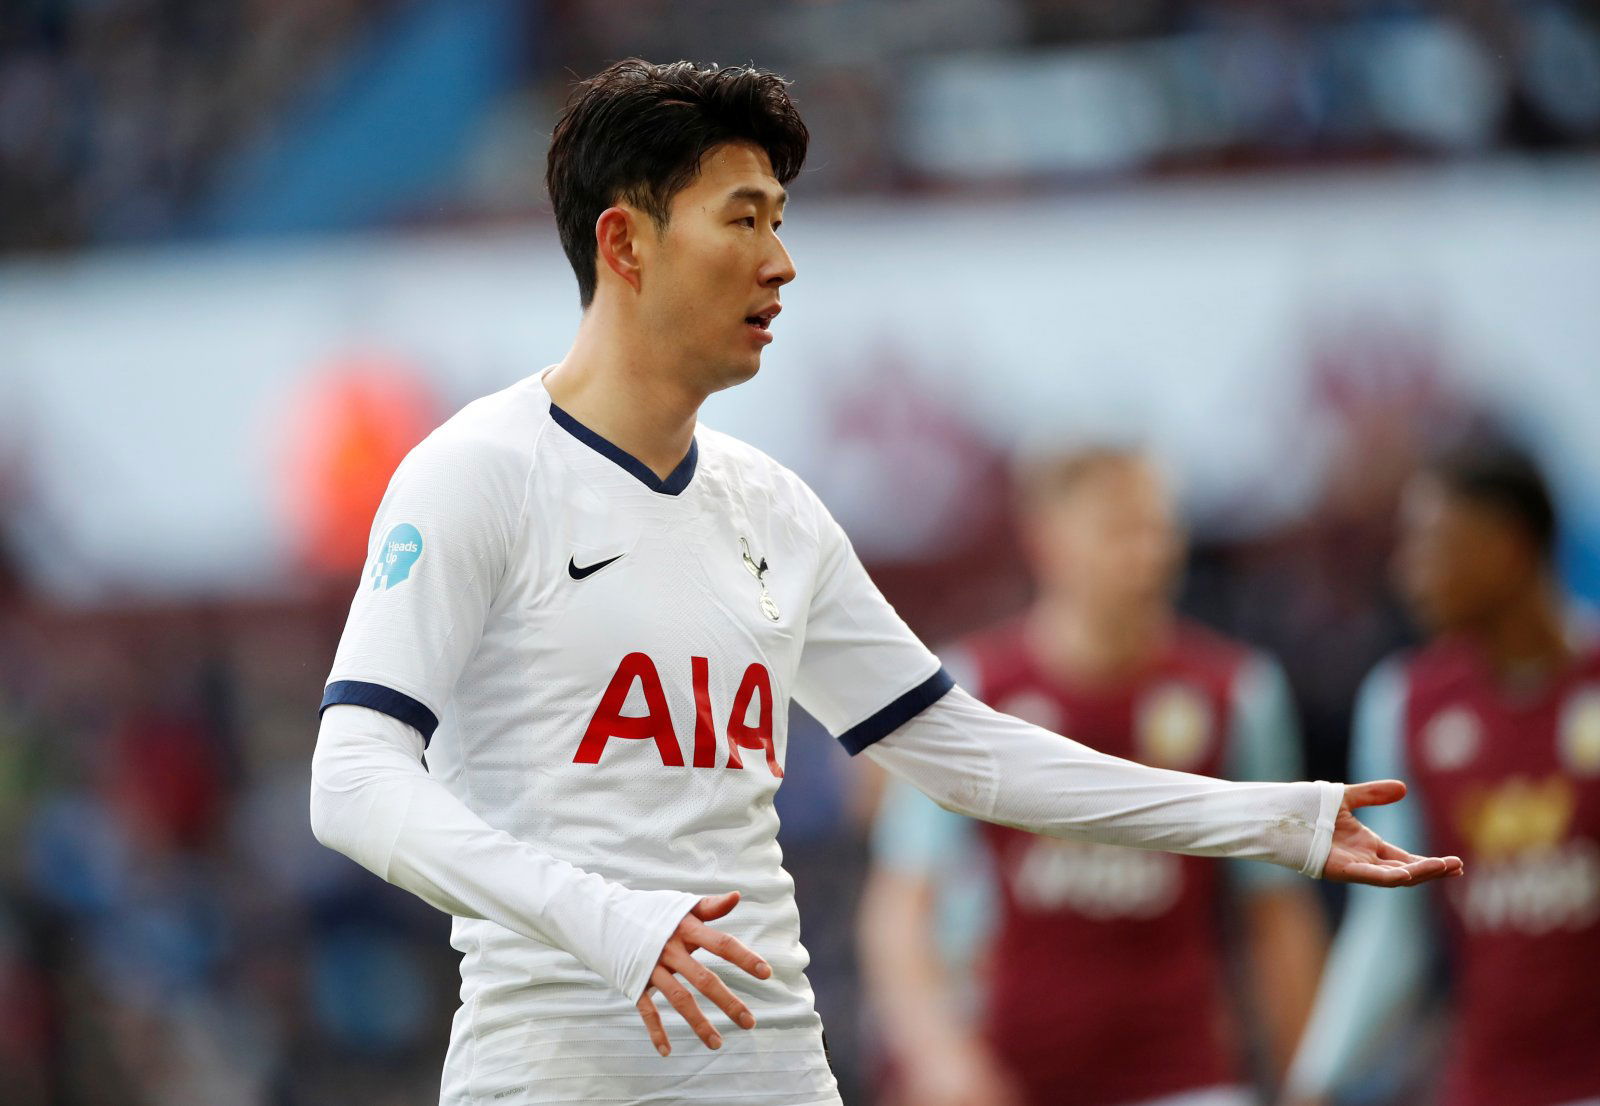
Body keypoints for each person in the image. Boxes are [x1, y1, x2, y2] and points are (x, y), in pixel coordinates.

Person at [307, 59, 1461, 1106]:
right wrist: (608, 919)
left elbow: (961, 749)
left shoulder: (772, 508)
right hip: (550, 1071)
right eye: (743, 219)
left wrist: (1273, 816)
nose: (781, 261)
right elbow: (352, 781)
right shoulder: (475, 473)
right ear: (625, 243)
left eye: (782, 220)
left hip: (772, 1066)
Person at [861, 448, 1328, 1106]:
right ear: (1047, 542)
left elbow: (1276, 912)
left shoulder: (1236, 694)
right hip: (1013, 1073)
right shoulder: (970, 693)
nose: (1148, 553)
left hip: (1184, 1073)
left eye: (1159, 529)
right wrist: (941, 1058)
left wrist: (1311, 1078)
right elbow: (902, 906)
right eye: (1119, 529)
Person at [1285, 441, 1600, 1106]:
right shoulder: (1405, 703)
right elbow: (1391, 920)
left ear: (1509, 543)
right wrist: (1320, 1076)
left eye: (1432, 544)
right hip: (1487, 1086)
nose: (1409, 572)